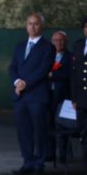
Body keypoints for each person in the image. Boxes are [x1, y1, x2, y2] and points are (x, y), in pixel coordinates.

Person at [8, 13, 55, 175]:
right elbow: (12, 67)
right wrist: (16, 82)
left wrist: (24, 83)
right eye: (30, 24)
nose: (32, 27)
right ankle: (27, 162)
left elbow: (43, 71)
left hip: (37, 97)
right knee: (24, 131)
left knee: (39, 131)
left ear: (41, 26)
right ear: (26, 26)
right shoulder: (19, 46)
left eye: (35, 24)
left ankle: (39, 163)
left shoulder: (48, 47)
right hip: (20, 97)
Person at [46, 30, 72, 163]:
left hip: (63, 97)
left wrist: (53, 76)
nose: (58, 43)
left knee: (62, 127)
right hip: (47, 96)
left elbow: (71, 75)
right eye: (55, 40)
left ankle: (62, 155)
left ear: (66, 42)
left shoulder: (71, 57)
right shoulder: (47, 56)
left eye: (61, 40)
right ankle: (50, 154)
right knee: (48, 125)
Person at [71, 17, 87, 168]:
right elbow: (74, 75)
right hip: (82, 100)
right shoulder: (78, 46)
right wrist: (74, 99)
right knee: (83, 134)